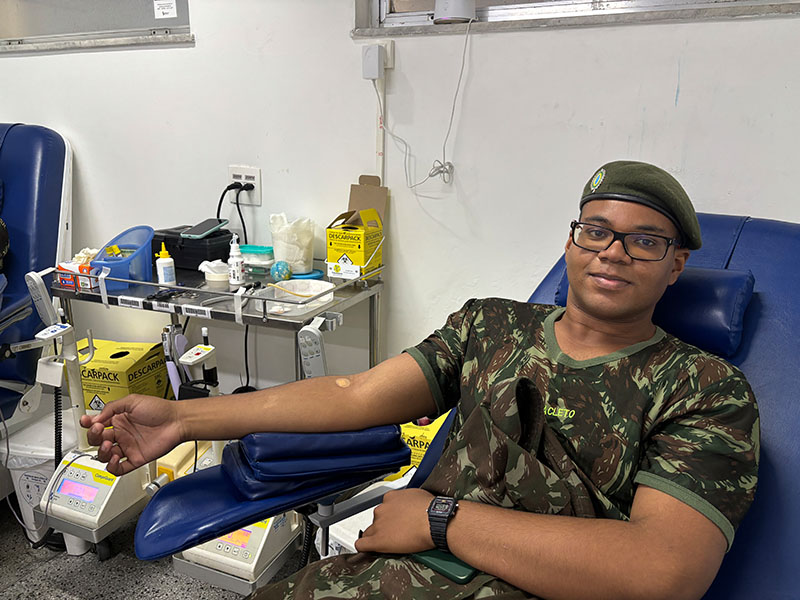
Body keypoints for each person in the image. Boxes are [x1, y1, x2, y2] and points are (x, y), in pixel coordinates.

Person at [82, 160, 759, 600]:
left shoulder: (705, 389)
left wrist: (442, 520)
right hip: (394, 575)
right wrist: (185, 420)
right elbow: (355, 395)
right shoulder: (491, 326)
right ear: (570, 241)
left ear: (676, 265)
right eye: (596, 230)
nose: (613, 252)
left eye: (645, 241)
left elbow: (663, 570)